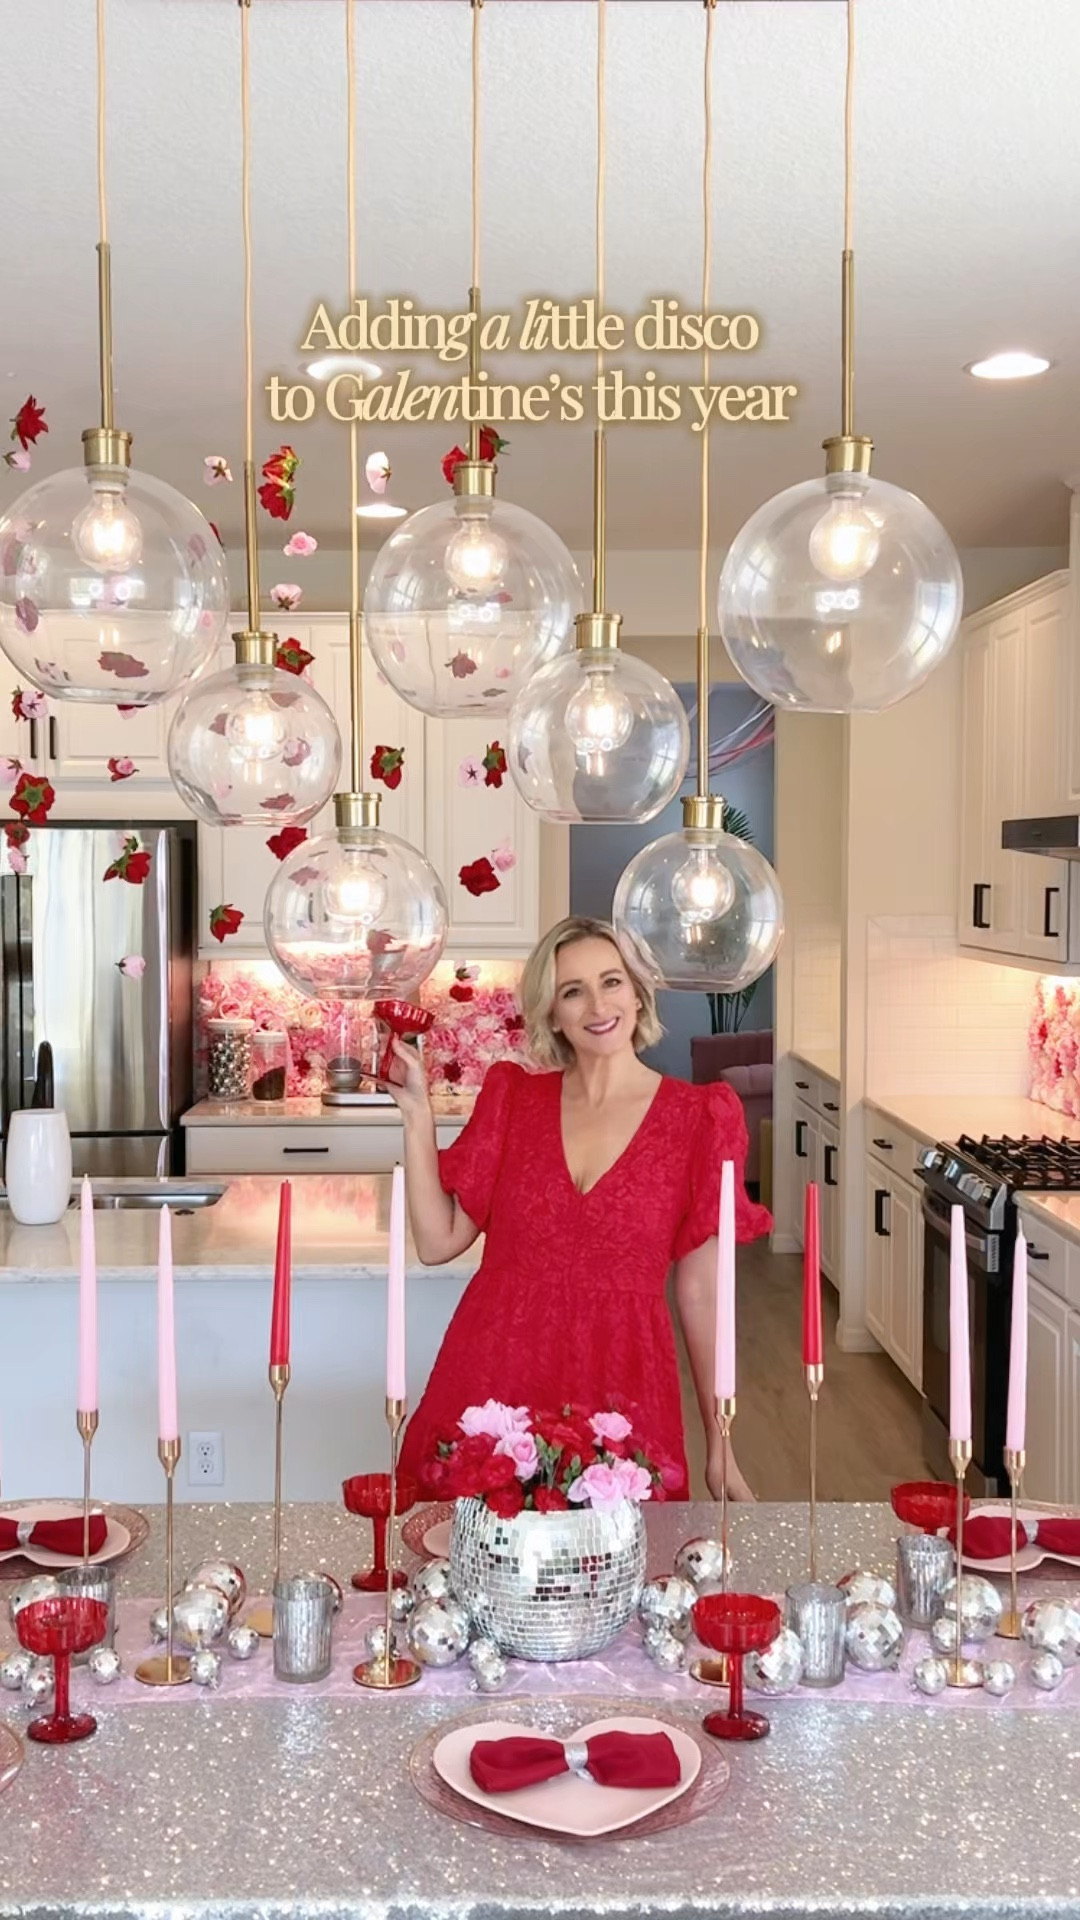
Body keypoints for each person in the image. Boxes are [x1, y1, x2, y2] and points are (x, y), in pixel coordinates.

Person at [388, 915, 771, 1500]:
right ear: (553, 1015)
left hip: (620, 1390)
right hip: (494, 1381)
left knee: (616, 1573)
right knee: (471, 1570)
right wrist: (416, 1114)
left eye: (612, 981)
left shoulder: (699, 1120)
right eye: (573, 990)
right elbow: (438, 1241)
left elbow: (702, 1296)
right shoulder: (514, 1100)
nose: (598, 1004)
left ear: (639, 994)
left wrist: (723, 1447)